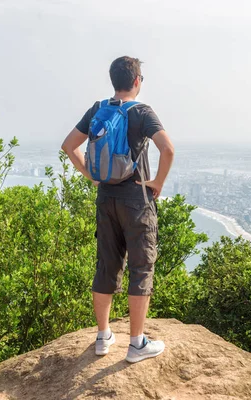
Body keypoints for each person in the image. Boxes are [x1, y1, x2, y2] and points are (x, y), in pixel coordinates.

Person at [61, 56, 175, 363]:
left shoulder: (99, 109)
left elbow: (69, 146)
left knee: (107, 265)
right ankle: (136, 344)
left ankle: (102, 336)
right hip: (137, 200)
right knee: (141, 268)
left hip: (106, 199)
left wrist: (93, 176)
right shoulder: (141, 112)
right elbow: (168, 148)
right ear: (137, 80)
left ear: (114, 81)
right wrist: (158, 183)